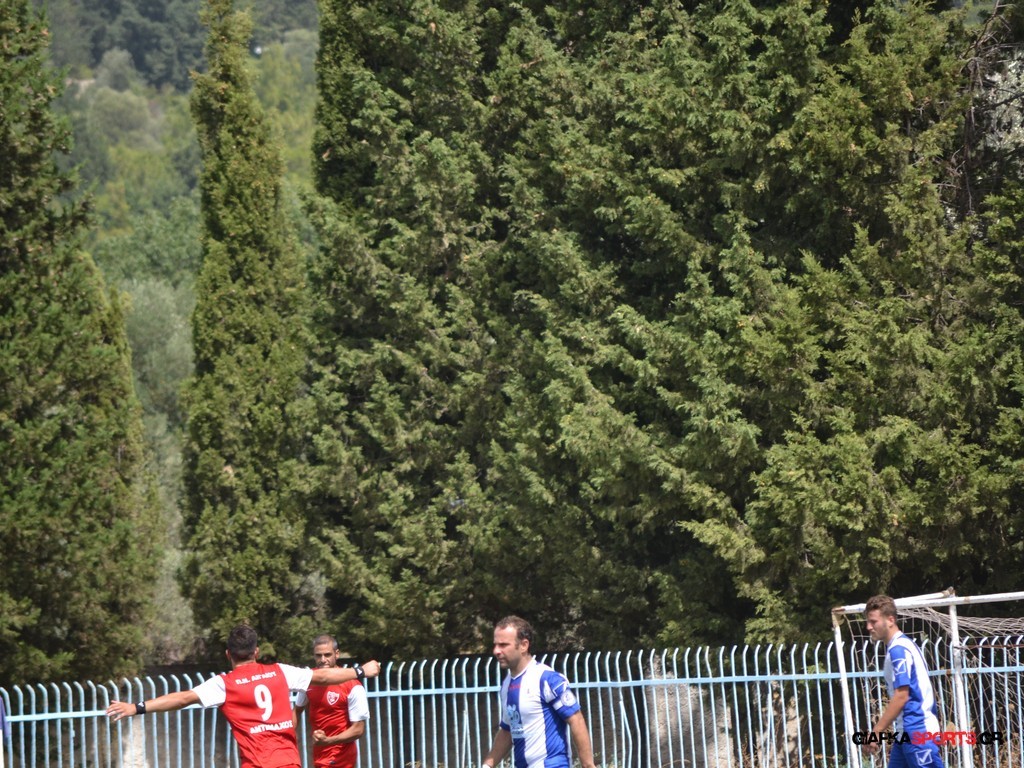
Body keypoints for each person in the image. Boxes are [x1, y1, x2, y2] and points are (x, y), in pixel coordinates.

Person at [106, 625, 380, 768]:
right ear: (256, 652)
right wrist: (360, 671)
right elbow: (323, 677)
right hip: (288, 762)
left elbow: (182, 698)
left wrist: (136, 707)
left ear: (228, 654)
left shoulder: (224, 684)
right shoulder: (280, 672)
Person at [481, 616, 597, 768]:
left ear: (524, 645)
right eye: (495, 645)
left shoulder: (547, 679)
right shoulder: (507, 685)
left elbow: (576, 719)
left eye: (503, 645)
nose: (496, 651)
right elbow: (508, 730)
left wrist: (588, 765)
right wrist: (487, 765)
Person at [861, 595, 944, 768]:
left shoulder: (899, 650)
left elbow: (901, 695)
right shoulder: (901, 645)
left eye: (873, 621)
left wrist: (876, 732)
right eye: (868, 622)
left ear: (891, 620)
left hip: (918, 732)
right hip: (905, 733)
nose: (868, 627)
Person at [293, 634, 369, 768]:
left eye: (327, 655)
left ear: (337, 654)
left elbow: (358, 729)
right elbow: (297, 710)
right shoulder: (310, 679)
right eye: (318, 655)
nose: (323, 660)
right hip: (319, 754)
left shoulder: (353, 685)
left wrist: (329, 741)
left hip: (340, 756)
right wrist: (287, 738)